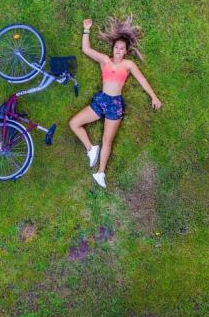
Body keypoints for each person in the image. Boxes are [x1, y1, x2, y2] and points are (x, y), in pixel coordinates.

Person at [68, 16, 162, 188]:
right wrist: (86, 29)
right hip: (102, 100)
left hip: (115, 104)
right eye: (116, 47)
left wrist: (153, 96)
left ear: (126, 52)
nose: (118, 50)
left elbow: (142, 80)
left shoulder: (128, 64)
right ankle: (90, 148)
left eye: (122, 48)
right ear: (113, 48)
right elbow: (86, 49)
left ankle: (100, 173)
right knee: (74, 123)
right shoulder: (105, 60)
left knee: (107, 140)